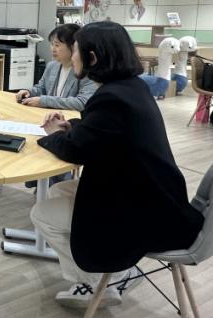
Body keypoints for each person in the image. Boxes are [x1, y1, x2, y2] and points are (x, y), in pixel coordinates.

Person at [30, 21, 203, 309]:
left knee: (41, 214)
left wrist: (52, 135)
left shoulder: (111, 97)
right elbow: (99, 132)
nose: (72, 55)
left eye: (76, 50)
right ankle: (107, 274)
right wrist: (69, 127)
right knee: (58, 192)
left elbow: (76, 151)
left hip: (142, 211)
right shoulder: (130, 88)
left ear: (92, 58)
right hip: (154, 197)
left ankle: (98, 281)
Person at [16, 24, 97, 111]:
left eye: (57, 45)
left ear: (74, 46)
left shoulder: (86, 70)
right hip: (50, 115)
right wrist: (29, 92)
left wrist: (45, 101)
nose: (53, 49)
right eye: (52, 44)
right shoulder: (52, 66)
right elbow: (41, 88)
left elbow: (83, 102)